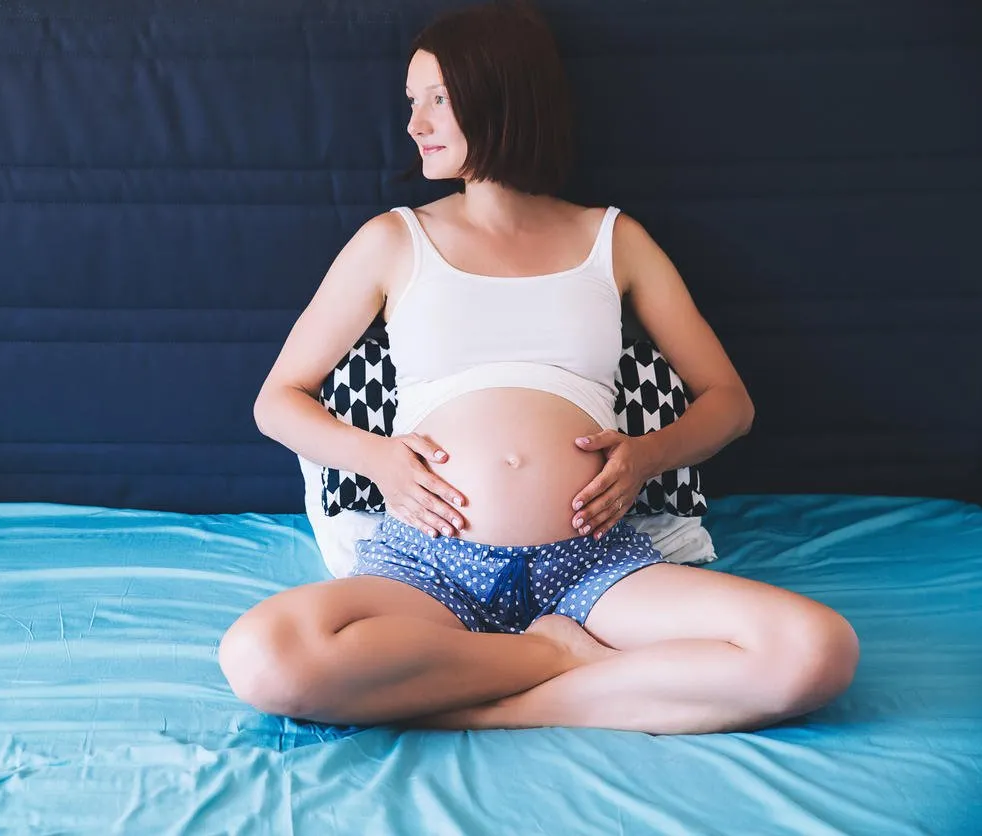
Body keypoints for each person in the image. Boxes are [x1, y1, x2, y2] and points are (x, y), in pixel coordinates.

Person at [219, 0, 859, 735]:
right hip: (428, 564)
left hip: (593, 563)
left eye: (436, 100)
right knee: (264, 658)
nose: (414, 124)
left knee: (816, 650)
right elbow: (279, 400)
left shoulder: (612, 238)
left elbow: (728, 402)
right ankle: (553, 661)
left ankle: (486, 709)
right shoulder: (393, 241)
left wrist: (649, 455)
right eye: (411, 103)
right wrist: (379, 460)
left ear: (500, 96)